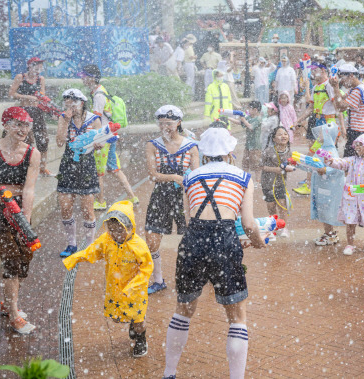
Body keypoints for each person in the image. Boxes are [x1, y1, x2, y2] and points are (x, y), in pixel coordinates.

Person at [162, 127, 265, 379]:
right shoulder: (243, 177)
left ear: (204, 152)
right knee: (237, 314)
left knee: (183, 309)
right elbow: (249, 223)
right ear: (230, 151)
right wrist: (257, 241)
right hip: (225, 241)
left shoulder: (190, 177)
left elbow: (189, 220)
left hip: (193, 241)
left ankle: (169, 373)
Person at [63, 201, 153, 357]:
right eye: (112, 230)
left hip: (136, 290)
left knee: (138, 319)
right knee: (118, 318)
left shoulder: (139, 246)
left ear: (130, 227)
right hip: (116, 289)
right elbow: (92, 251)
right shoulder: (107, 240)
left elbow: (146, 269)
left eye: (120, 230)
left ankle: (141, 340)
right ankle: (132, 323)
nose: (116, 235)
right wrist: (76, 258)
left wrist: (134, 286)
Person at [0, 107, 40, 334]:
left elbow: (29, 190)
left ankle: (9, 300)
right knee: (12, 260)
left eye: (26, 125)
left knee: (26, 254)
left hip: (18, 210)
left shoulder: (32, 154)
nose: (22, 129)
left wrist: (24, 222)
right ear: (6, 125)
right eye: (17, 124)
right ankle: (14, 314)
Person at [145, 105, 199, 294]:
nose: (164, 127)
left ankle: (191, 276)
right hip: (161, 195)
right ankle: (158, 279)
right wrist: (175, 178)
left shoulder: (191, 146)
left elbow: (196, 175)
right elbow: (152, 175)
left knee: (191, 238)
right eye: (161, 124)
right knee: (151, 238)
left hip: (185, 197)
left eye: (168, 123)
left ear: (178, 123)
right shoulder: (153, 145)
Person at [78, 64, 138, 211]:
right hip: (110, 136)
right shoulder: (102, 91)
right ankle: (132, 197)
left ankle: (101, 201)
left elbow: (96, 120)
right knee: (115, 169)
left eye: (85, 76)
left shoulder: (98, 95)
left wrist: (92, 138)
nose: (83, 79)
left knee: (98, 172)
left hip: (102, 138)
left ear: (92, 78)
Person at [56, 89, 102, 258]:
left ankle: (90, 245)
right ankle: (71, 243)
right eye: (66, 103)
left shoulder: (93, 118)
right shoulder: (64, 117)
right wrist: (66, 121)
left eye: (72, 103)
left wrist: (98, 144)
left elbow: (101, 141)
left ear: (81, 103)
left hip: (86, 165)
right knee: (65, 207)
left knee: (87, 209)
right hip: (68, 164)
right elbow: (60, 142)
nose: (70, 107)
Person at [324, 133, 364, 256]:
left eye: (360, 144)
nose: (357, 147)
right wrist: (331, 162)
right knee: (350, 221)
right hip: (351, 196)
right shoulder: (352, 161)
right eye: (356, 144)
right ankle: (350, 244)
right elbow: (341, 163)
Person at [293, 61, 344, 195]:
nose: (312, 73)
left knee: (314, 153)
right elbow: (310, 108)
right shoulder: (316, 87)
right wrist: (299, 120)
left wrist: (342, 127)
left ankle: (310, 184)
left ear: (323, 71)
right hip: (318, 122)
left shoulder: (329, 86)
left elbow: (338, 108)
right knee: (322, 154)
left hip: (328, 124)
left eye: (315, 70)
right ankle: (319, 180)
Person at [8, 57, 51, 176]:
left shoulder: (41, 79)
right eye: (36, 66)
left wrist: (47, 103)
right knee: (24, 139)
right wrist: (27, 97)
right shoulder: (20, 77)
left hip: (37, 111)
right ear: (30, 66)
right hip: (23, 112)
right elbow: (11, 93)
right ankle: (22, 166)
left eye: (40, 67)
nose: (38, 69)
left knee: (43, 139)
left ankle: (43, 168)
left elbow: (42, 94)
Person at [310, 122, 345, 246]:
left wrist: (326, 170)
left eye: (321, 132)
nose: (318, 135)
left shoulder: (330, 151)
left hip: (328, 187)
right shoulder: (322, 149)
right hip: (323, 186)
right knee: (324, 209)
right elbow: (313, 164)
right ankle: (330, 233)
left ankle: (329, 234)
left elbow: (338, 169)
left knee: (327, 209)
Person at [330, 64, 364, 158]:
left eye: (343, 79)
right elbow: (341, 99)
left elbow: (340, 107)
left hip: (358, 133)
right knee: (358, 162)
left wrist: (336, 87)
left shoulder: (357, 91)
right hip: (362, 131)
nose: (342, 82)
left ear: (351, 76)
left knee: (350, 163)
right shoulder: (359, 87)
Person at [261, 126, 293, 238]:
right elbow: (261, 166)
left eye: (285, 134)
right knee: (271, 205)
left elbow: (291, 164)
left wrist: (291, 167)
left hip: (280, 183)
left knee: (282, 204)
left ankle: (284, 227)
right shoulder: (268, 151)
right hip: (267, 183)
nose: (283, 136)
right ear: (274, 139)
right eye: (280, 134)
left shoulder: (289, 152)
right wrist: (275, 170)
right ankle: (272, 227)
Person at [228, 101, 263, 182]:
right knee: (245, 162)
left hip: (256, 146)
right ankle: (245, 179)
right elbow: (240, 122)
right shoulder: (249, 117)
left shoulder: (258, 119)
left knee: (256, 164)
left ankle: (258, 180)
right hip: (248, 145)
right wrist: (228, 118)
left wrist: (244, 120)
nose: (248, 110)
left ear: (255, 110)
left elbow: (251, 127)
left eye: (249, 109)